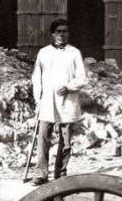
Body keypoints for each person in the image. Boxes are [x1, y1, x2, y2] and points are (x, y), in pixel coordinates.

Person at [31, 18, 87, 185]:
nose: (62, 35)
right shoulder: (44, 53)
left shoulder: (74, 53)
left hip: (67, 101)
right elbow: (36, 77)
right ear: (52, 34)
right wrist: (38, 99)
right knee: (43, 138)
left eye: (65, 32)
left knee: (66, 140)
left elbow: (82, 77)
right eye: (59, 32)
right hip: (47, 101)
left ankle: (60, 174)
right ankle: (41, 173)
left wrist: (69, 87)